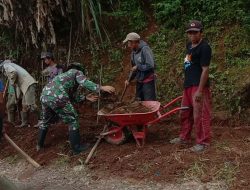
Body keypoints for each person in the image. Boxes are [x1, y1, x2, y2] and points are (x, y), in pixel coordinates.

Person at [37, 62, 115, 154]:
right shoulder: (75, 72)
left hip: (44, 95)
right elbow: (84, 82)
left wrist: (85, 97)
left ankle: (39, 145)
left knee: (45, 120)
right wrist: (101, 87)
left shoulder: (64, 78)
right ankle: (77, 148)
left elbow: (71, 97)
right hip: (57, 95)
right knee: (73, 120)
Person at [170, 20, 212, 152]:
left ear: (201, 33)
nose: (192, 35)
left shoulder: (204, 47)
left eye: (195, 32)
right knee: (185, 112)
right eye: (190, 33)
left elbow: (205, 70)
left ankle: (203, 143)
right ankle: (184, 137)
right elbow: (188, 64)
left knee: (200, 114)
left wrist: (200, 90)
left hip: (198, 86)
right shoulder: (189, 46)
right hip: (188, 85)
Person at [0, 60, 38, 128]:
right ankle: (24, 123)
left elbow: (14, 72)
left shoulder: (6, 65)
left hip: (28, 84)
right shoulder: (10, 66)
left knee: (31, 104)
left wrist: (12, 81)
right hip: (24, 86)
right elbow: (17, 84)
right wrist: (17, 97)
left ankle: (41, 120)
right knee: (24, 105)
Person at [123, 32, 156, 101]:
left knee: (149, 104)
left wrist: (138, 66)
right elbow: (134, 70)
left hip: (148, 82)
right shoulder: (133, 53)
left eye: (129, 43)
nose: (128, 45)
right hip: (139, 82)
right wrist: (129, 79)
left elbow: (150, 65)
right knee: (139, 103)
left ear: (134, 42)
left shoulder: (145, 49)